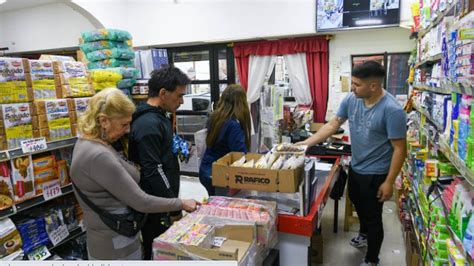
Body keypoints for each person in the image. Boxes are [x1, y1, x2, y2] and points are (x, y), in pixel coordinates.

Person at [70, 88, 199, 260]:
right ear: (104, 121)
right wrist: (181, 204)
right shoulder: (98, 155)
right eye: (124, 124)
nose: (128, 130)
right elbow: (141, 202)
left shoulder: (90, 142)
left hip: (114, 241)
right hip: (115, 249)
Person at [299, 61, 407, 266]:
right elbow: (333, 124)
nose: (352, 88)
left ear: (373, 86)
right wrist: (305, 144)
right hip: (356, 165)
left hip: (377, 172)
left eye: (357, 84)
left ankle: (372, 259)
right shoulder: (352, 99)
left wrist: (389, 182)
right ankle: (364, 235)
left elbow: (400, 149)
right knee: (358, 202)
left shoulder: (392, 111)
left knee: (373, 216)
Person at [128, 66, 190, 260]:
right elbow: (154, 170)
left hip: (163, 201)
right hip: (155, 206)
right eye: (179, 96)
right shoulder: (148, 125)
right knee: (157, 251)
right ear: (163, 93)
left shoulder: (160, 117)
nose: (181, 102)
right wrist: (173, 206)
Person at [199, 84, 251, 196]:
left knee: (214, 202)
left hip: (206, 169)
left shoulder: (215, 117)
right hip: (219, 174)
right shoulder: (233, 125)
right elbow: (240, 153)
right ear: (241, 103)